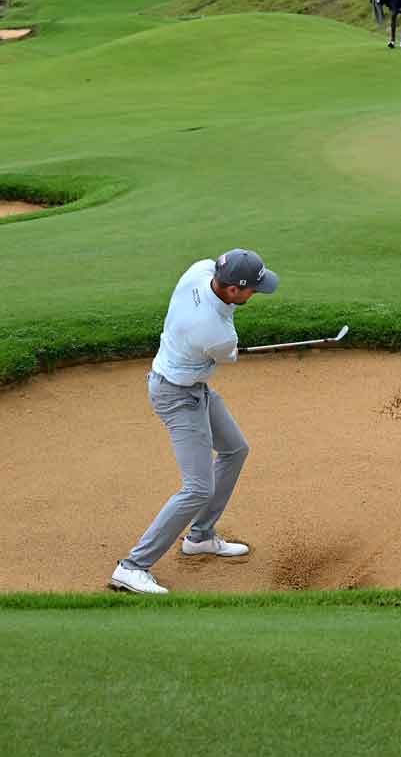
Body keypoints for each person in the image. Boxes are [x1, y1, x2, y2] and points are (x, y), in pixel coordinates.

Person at [110, 249, 279, 595]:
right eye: (252, 289)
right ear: (233, 290)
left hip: (192, 386)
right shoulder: (215, 332)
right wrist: (229, 344)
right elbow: (228, 354)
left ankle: (200, 536)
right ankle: (133, 567)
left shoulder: (198, 272)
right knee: (197, 487)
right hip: (176, 396)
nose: (255, 295)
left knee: (235, 449)